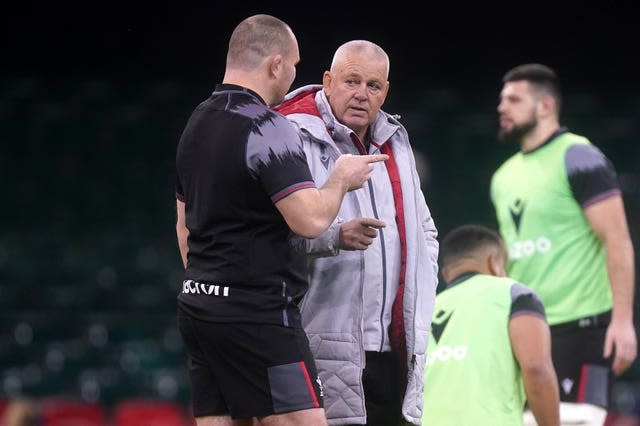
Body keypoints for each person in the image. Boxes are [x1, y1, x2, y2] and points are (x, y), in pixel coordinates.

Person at [174, 16, 388, 426]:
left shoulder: (196, 122)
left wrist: (213, 284)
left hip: (198, 307)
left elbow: (184, 225)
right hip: (257, 311)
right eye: (293, 64)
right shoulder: (268, 125)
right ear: (275, 65)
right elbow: (309, 220)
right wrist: (340, 177)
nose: (293, 75)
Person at [273, 40, 439, 425]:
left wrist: (423, 285)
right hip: (323, 343)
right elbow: (269, 237)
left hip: (395, 347)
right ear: (328, 82)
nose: (361, 94)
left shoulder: (396, 143)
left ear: (386, 92)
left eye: (373, 86)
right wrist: (335, 236)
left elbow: (425, 230)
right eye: (351, 81)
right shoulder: (292, 137)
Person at [490, 63, 637, 424]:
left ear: (544, 106)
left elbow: (617, 240)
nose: (502, 107)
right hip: (529, 327)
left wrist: (622, 321)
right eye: (501, 100)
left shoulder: (579, 156)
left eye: (513, 99)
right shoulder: (502, 177)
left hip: (583, 327)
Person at [421, 224, 559, 425]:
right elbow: (536, 368)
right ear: (494, 263)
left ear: (446, 274)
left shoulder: (424, 311)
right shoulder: (515, 295)